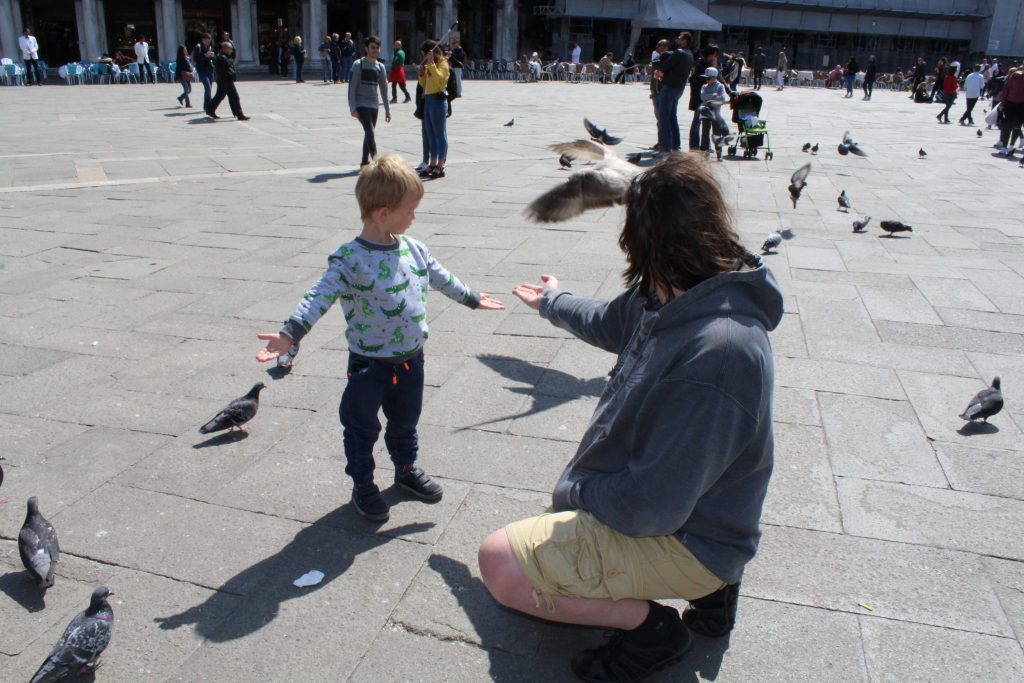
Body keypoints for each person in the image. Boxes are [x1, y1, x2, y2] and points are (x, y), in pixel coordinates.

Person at [478, 154, 782, 683]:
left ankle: (653, 629)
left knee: (500, 564)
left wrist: (576, 492)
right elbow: (612, 320)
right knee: (550, 527)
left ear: (648, 244)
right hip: (693, 510)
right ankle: (713, 591)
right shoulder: (679, 289)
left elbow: (650, 509)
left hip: (691, 534)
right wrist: (553, 301)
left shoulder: (719, 354)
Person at [256, 155, 505, 522]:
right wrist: (290, 333)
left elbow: (439, 276)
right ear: (383, 212)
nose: (414, 217)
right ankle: (363, 484)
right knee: (361, 428)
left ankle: (405, 470)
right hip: (368, 365)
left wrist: (470, 297)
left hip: (411, 359)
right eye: (410, 210)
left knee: (406, 421)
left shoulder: (413, 248)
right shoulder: (350, 259)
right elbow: (318, 296)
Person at [349, 36, 391, 168]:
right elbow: (352, 88)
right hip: (361, 104)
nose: (375, 50)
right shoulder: (358, 64)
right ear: (366, 48)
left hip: (374, 105)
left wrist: (387, 110)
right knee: (370, 131)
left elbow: (384, 90)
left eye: (377, 48)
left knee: (368, 132)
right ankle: (376, 161)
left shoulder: (380, 67)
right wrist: (353, 107)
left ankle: (364, 161)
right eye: (372, 47)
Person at [653, 31, 694, 153]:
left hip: (670, 86)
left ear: (684, 41)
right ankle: (676, 144)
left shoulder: (679, 52)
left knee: (664, 116)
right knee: (672, 116)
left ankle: (666, 146)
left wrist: (659, 71)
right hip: (679, 88)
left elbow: (666, 66)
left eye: (680, 38)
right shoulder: (690, 54)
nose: (677, 40)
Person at [417, 39, 450, 179]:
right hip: (428, 100)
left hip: (438, 100)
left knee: (439, 134)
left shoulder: (443, 63)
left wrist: (430, 64)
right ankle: (433, 162)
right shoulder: (431, 65)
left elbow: (439, 79)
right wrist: (421, 74)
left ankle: (440, 165)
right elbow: (425, 83)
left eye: (425, 54)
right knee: (430, 134)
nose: (423, 58)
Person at [206, 42, 249, 121]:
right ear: (225, 49)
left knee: (219, 96)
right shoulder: (222, 58)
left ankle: (210, 109)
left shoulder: (225, 57)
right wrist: (230, 76)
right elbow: (222, 71)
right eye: (230, 48)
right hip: (226, 81)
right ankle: (239, 114)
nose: (231, 50)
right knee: (235, 97)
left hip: (224, 81)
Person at [688, 45, 717, 150]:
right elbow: (712, 81)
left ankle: (702, 145)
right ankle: (695, 145)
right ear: (713, 54)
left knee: (704, 121)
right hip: (701, 98)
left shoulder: (700, 63)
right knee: (699, 121)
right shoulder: (705, 66)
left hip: (700, 97)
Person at [699, 66, 730, 158]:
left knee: (716, 133)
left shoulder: (720, 86)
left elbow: (722, 98)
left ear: (714, 78)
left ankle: (719, 152)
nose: (706, 80)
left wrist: (709, 98)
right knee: (705, 132)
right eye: (705, 78)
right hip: (705, 112)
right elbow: (702, 97)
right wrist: (713, 95)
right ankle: (704, 151)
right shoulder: (704, 86)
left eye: (708, 78)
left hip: (716, 113)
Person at [998, 68, 1024, 154]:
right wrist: (1002, 103)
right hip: (1010, 103)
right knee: (1007, 126)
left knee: (1017, 126)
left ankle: (1011, 146)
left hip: (1022, 105)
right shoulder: (1016, 75)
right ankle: (1004, 146)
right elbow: (1006, 89)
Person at [191, 33, 216, 112]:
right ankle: (208, 106)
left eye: (210, 41)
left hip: (210, 69)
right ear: (203, 40)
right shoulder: (198, 47)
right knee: (208, 87)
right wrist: (205, 55)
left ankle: (207, 105)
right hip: (202, 70)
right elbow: (195, 58)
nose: (209, 43)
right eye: (207, 41)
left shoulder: (210, 47)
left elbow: (213, 58)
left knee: (209, 88)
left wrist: (212, 56)